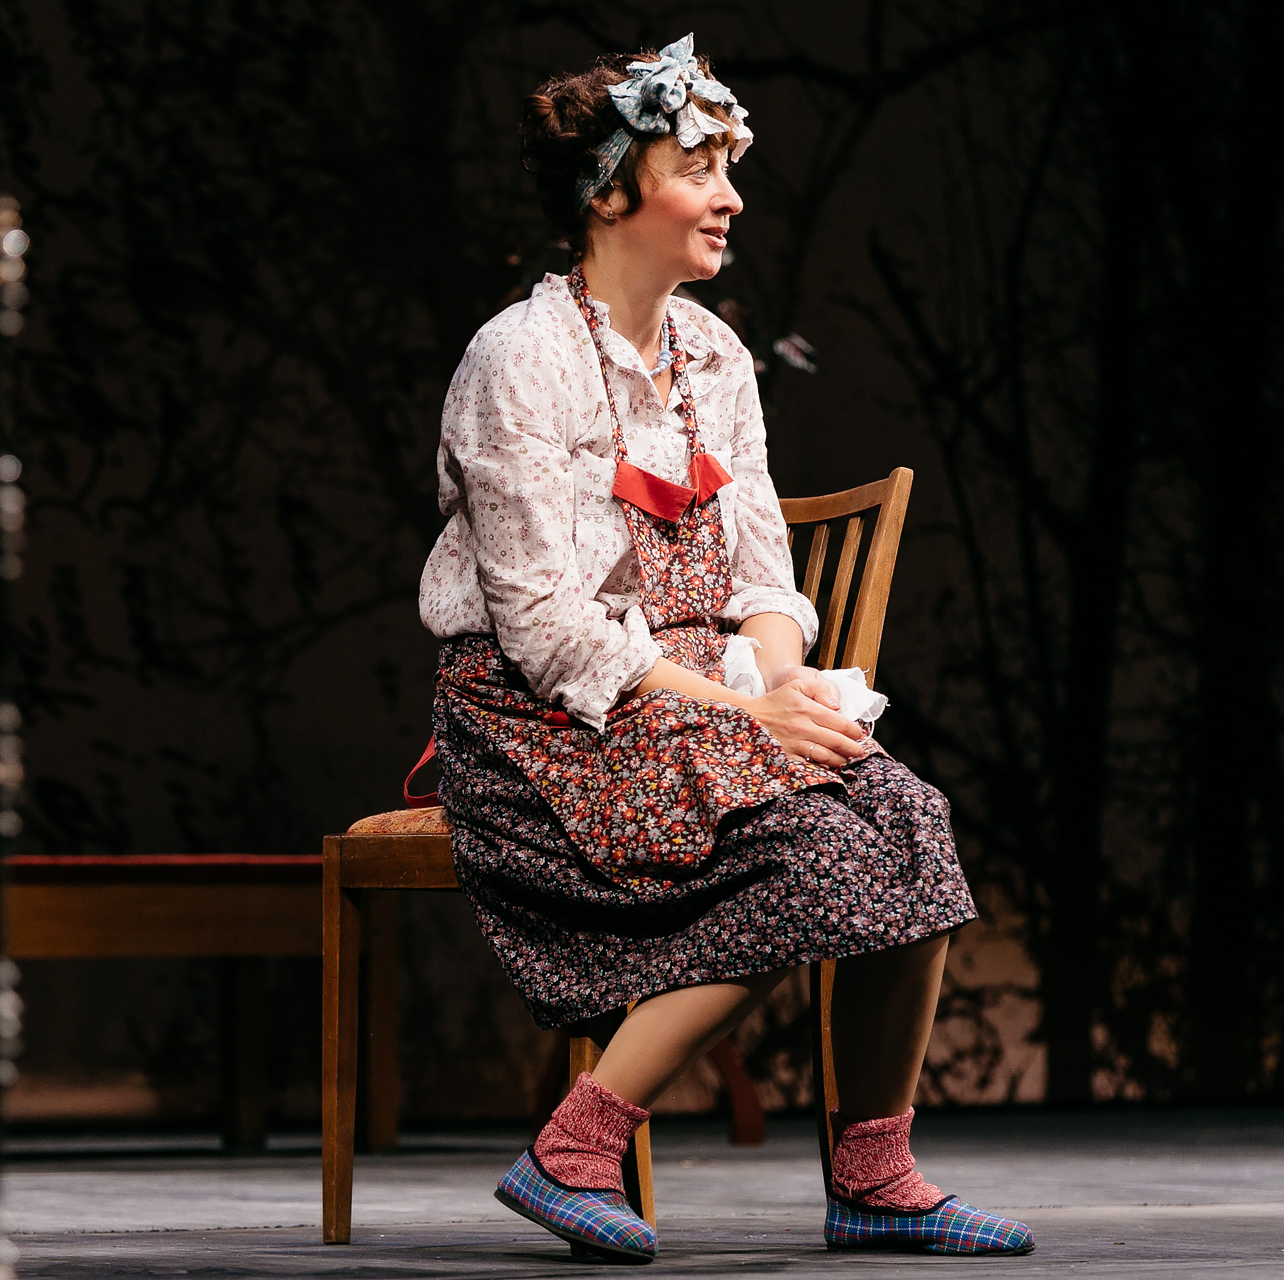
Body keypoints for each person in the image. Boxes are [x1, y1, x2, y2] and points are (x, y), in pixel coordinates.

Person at [418, 33, 1035, 1264]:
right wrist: (748, 715)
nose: (731, 195)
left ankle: (875, 1176)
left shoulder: (715, 356)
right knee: (805, 857)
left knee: (909, 817)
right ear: (611, 194)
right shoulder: (519, 360)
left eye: (728, 168)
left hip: (703, 694)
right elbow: (544, 629)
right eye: (698, 168)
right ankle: (574, 1146)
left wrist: (783, 682)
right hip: (549, 715)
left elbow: (761, 573)